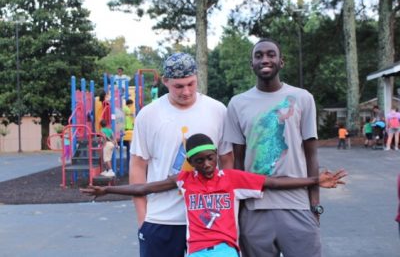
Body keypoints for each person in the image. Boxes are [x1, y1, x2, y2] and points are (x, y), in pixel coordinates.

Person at [81, 134, 347, 257]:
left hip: (225, 250)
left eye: (210, 158)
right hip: (195, 251)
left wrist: (315, 180)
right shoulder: (185, 180)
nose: (206, 165)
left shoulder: (232, 179)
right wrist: (107, 189)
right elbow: (146, 188)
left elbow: (274, 182)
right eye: (199, 161)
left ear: (216, 157)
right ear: (191, 163)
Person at [223, 38, 326, 257]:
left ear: (282, 61)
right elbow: (238, 162)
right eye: (258, 56)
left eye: (271, 54)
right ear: (251, 64)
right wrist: (239, 211)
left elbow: (311, 154)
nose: (265, 59)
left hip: (297, 205)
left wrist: (315, 204)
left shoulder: (302, 98)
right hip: (254, 209)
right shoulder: (237, 103)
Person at [129, 52, 233, 257]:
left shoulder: (217, 110)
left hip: (208, 220)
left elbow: (227, 160)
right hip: (161, 219)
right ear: (165, 81)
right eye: (178, 86)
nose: (186, 91)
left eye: (191, 84)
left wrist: (228, 213)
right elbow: (138, 165)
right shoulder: (149, 115)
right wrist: (143, 218)